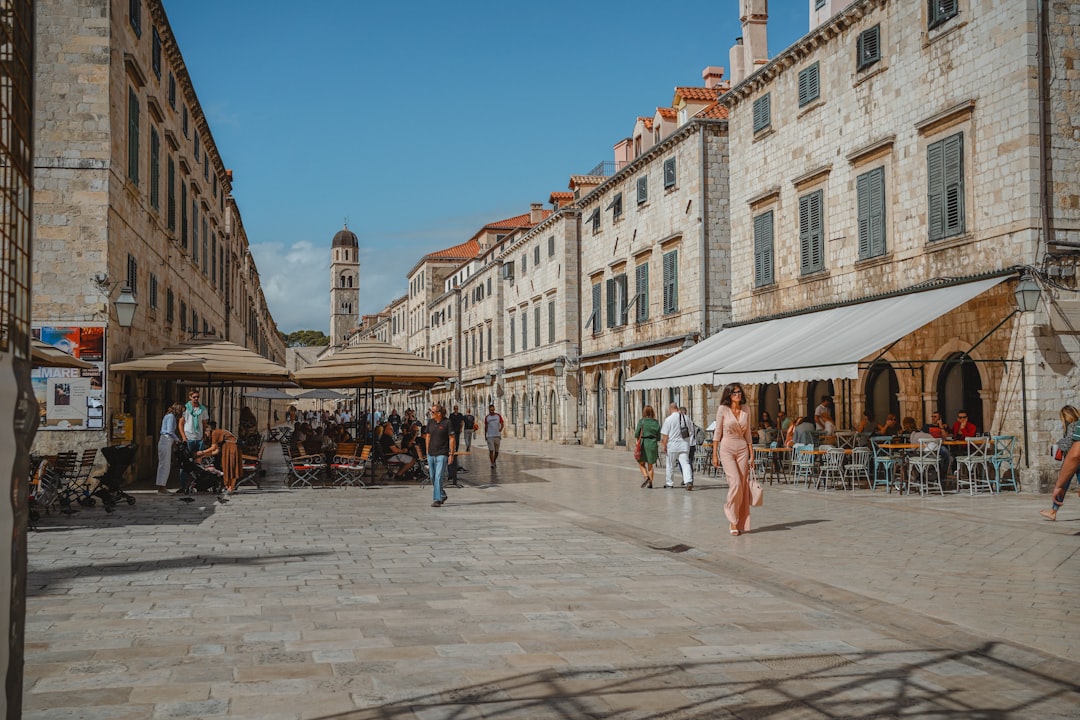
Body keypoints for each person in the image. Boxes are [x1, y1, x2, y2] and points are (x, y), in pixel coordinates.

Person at [712, 383, 754, 536]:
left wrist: (751, 452)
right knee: (735, 482)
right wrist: (714, 454)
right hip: (727, 447)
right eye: (735, 392)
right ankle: (731, 517)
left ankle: (738, 522)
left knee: (742, 485)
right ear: (729, 395)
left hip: (742, 448)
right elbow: (717, 433)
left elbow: (748, 432)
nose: (738, 394)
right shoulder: (723, 409)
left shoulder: (746, 409)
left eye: (739, 392)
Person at [1041, 405, 1080, 521]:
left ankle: (1053, 511)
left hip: (1073, 462)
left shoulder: (1073, 426)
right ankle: (1053, 511)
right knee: (1064, 485)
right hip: (1074, 461)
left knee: (1062, 485)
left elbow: (1070, 445)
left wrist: (1058, 444)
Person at [197, 425, 242, 496]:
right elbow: (216, 451)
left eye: (205, 432)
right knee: (227, 468)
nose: (206, 435)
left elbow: (213, 447)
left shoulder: (215, 433)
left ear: (208, 431)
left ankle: (231, 488)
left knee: (231, 467)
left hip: (231, 448)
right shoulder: (216, 435)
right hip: (228, 448)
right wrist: (204, 455)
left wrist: (203, 452)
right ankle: (228, 487)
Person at [425, 403, 456, 507]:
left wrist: (451, 454)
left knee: (438, 476)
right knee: (433, 476)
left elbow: (452, 438)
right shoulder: (430, 422)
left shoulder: (447, 422)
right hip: (431, 453)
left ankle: (437, 499)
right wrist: (427, 451)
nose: (431, 414)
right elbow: (428, 436)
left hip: (442, 453)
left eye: (432, 412)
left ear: (439, 413)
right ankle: (442, 494)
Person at [178, 390, 208, 494]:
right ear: (190, 397)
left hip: (198, 439)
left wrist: (204, 435)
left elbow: (204, 423)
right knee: (185, 463)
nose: (196, 399)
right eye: (194, 397)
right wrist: (183, 437)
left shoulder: (203, 409)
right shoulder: (185, 409)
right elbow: (181, 423)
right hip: (189, 438)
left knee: (198, 463)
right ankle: (183, 486)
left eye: (197, 397)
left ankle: (198, 485)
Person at [660, 403, 694, 490]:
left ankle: (669, 483)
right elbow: (690, 430)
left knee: (670, 464)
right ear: (677, 408)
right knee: (685, 463)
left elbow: (665, 435)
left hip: (672, 445)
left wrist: (664, 445)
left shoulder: (668, 419)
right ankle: (688, 481)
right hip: (684, 445)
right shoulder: (686, 418)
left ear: (670, 409)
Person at [155, 403, 184, 494]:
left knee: (164, 464)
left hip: (166, 441)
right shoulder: (171, 417)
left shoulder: (168, 416)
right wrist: (178, 440)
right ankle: (161, 487)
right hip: (166, 440)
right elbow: (170, 431)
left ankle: (162, 485)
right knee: (165, 464)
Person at [634, 405, 661, 488]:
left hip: (643, 443)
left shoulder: (642, 421)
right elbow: (658, 436)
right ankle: (650, 482)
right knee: (650, 464)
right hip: (652, 443)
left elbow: (636, 433)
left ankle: (646, 477)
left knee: (641, 463)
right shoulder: (656, 422)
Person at [484, 404, 504, 468]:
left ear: (494, 409)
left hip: (497, 435)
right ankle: (492, 463)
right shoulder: (487, 417)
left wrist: (501, 429)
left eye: (492, 410)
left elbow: (502, 423)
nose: (491, 411)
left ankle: (494, 461)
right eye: (490, 410)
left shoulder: (498, 416)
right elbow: (486, 426)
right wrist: (485, 435)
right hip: (490, 436)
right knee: (491, 450)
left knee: (497, 451)